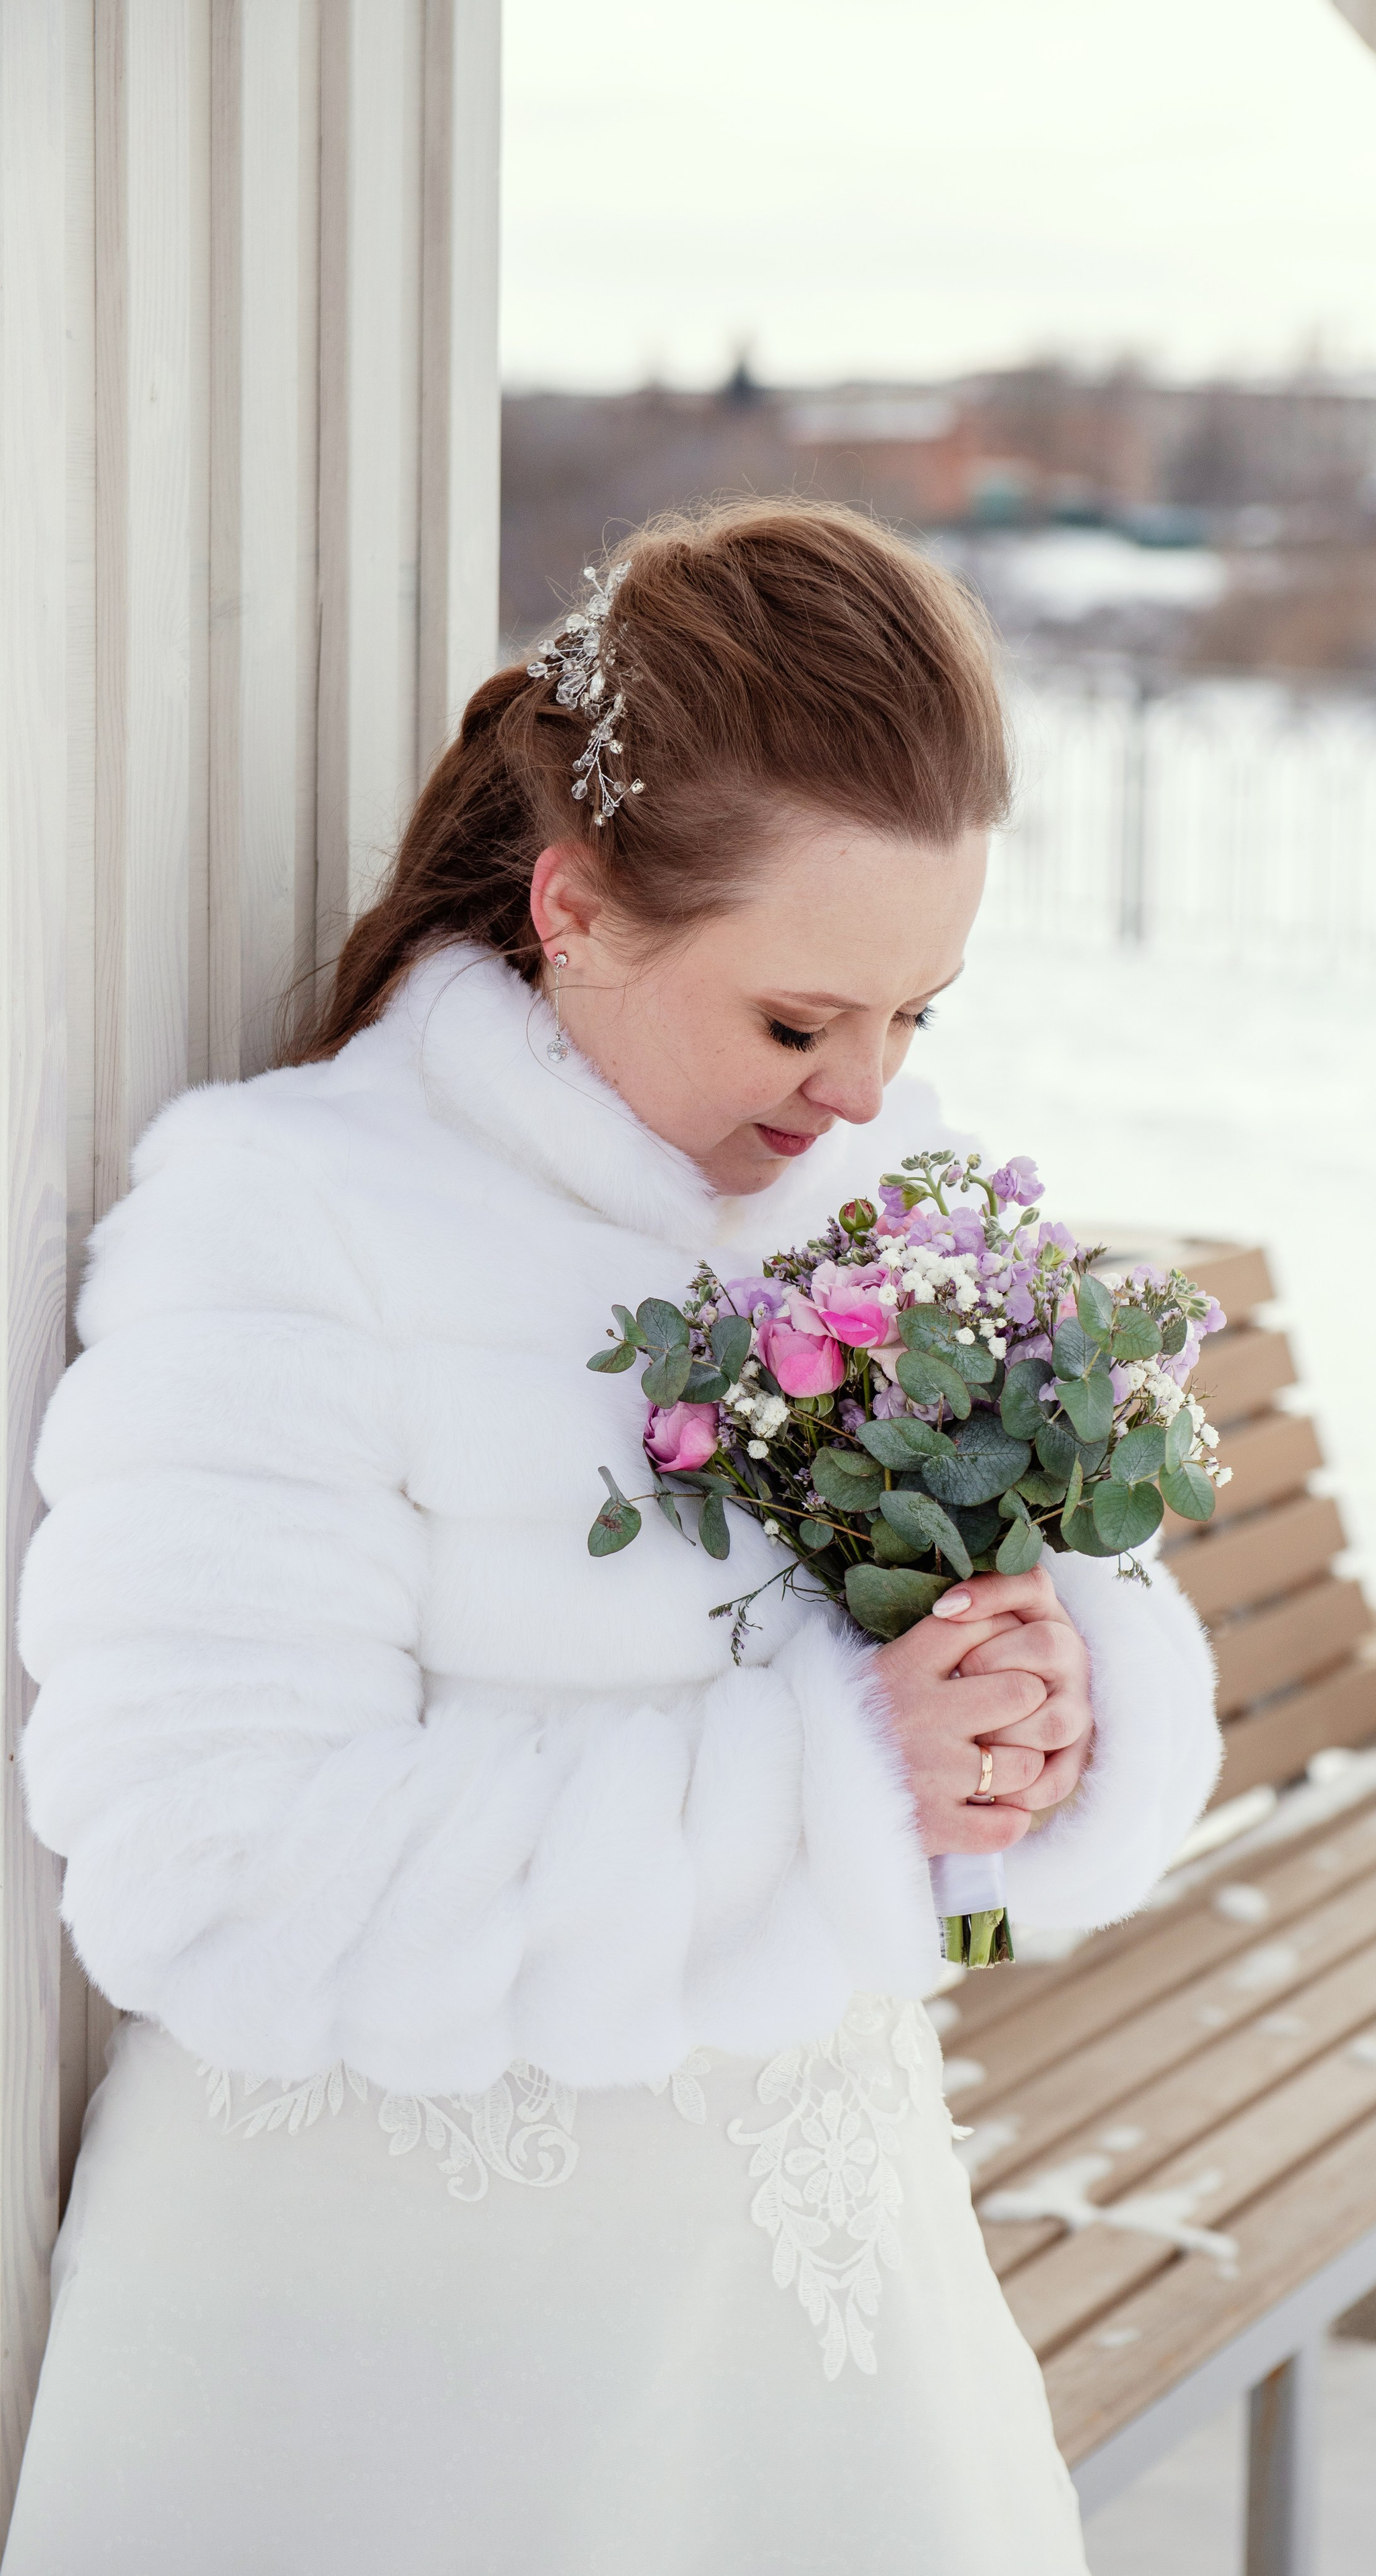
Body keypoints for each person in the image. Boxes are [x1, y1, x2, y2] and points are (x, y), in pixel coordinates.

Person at [5, 501, 1219, 2573]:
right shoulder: (288, 1225)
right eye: (798, 1022)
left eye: (918, 1013)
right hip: (398, 2371)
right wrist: (846, 1775)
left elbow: (1038, 1637)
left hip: (817, 2341)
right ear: (574, 909)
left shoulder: (878, 1194)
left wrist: (1057, 1700)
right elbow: (210, 1865)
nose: (866, 1089)